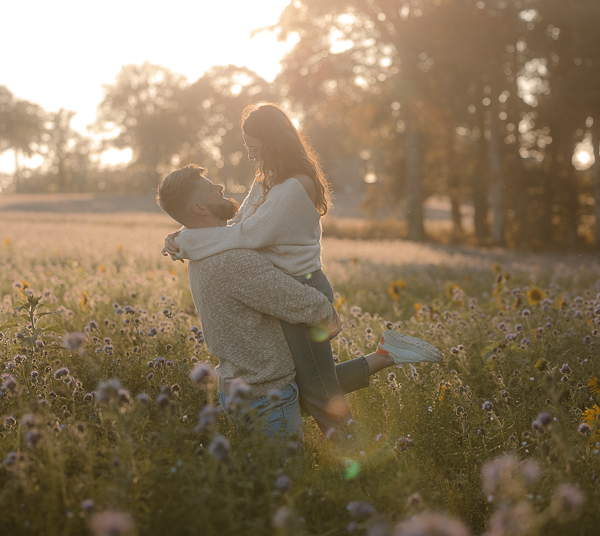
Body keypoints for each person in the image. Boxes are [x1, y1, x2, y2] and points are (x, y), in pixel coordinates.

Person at [162, 103, 442, 439]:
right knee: (307, 386)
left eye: (253, 148)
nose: (251, 156)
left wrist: (189, 240)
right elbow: (237, 223)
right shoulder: (266, 179)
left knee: (319, 393)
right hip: (276, 286)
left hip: (301, 289)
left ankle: (356, 457)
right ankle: (385, 355)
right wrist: (182, 234)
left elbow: (247, 235)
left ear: (272, 142)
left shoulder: (296, 186)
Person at [156, 164, 393, 441]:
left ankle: (387, 357)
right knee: (288, 481)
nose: (220, 188)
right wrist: (326, 311)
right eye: (211, 188)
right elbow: (300, 302)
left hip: (238, 387)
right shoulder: (231, 260)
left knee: (319, 385)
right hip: (266, 398)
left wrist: (177, 236)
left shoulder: (200, 247)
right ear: (200, 208)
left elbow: (236, 225)